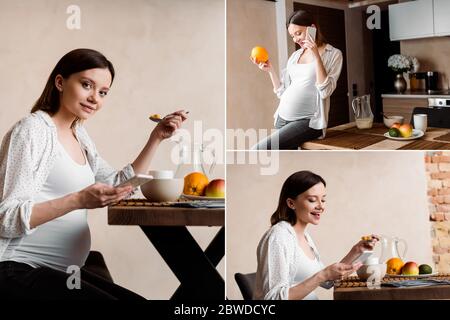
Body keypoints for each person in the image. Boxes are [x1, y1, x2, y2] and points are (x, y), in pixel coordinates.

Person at [0, 48, 187, 299]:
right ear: (60, 82)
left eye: (103, 92)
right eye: (86, 85)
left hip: (65, 271)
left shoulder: (80, 136)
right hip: (18, 270)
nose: (94, 98)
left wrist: (156, 138)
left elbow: (119, 185)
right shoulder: (32, 130)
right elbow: (6, 218)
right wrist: (78, 200)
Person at [254, 171, 379, 300]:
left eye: (323, 199)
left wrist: (356, 251)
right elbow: (272, 298)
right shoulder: (278, 237)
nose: (321, 206)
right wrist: (323, 275)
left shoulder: (305, 237)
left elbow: (326, 281)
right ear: (291, 203)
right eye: (312, 200)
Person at [251, 10, 343, 150]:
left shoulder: (334, 54)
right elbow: (282, 91)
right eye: (292, 36)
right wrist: (270, 70)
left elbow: (325, 91)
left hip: (308, 122)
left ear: (312, 28)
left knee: (257, 150)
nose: (296, 39)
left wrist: (316, 55)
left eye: (298, 33)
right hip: (282, 119)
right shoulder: (295, 56)